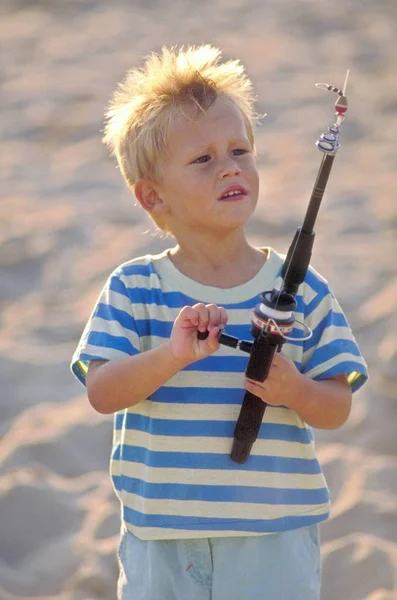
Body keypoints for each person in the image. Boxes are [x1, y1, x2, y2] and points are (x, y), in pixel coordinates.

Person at [71, 45, 368, 600]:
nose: (230, 165)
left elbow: (338, 405)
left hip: (273, 542)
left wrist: (294, 389)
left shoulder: (306, 288)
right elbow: (102, 392)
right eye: (203, 159)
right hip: (161, 541)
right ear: (153, 196)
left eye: (239, 150)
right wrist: (171, 356)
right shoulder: (134, 288)